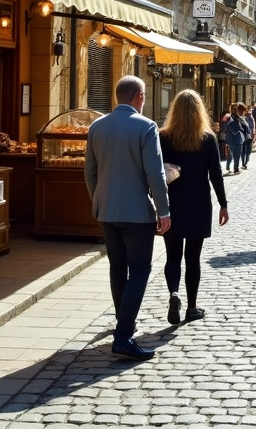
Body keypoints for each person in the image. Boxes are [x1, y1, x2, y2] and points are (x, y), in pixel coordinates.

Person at [84, 76, 171, 361]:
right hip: (136, 213)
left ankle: (123, 323)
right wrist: (164, 210)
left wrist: (98, 200)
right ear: (140, 97)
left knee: (117, 267)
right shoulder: (145, 126)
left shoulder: (97, 126)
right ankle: (123, 335)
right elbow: (155, 173)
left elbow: (90, 172)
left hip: (107, 210)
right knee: (140, 269)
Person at [159, 90, 229, 326]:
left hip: (172, 202)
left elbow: (156, 172)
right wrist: (223, 204)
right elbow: (216, 174)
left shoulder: (164, 137)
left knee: (172, 257)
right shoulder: (207, 139)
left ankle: (173, 294)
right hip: (199, 202)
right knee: (193, 259)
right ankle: (191, 307)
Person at [223, 103, 249, 174]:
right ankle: (236, 169)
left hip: (229, 139)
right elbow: (237, 128)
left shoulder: (227, 117)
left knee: (230, 155)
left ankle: (228, 167)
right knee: (236, 155)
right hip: (237, 139)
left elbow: (224, 128)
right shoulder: (235, 118)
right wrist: (241, 128)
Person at [242, 105, 256, 170]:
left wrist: (253, 134)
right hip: (245, 135)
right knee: (245, 150)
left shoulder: (250, 117)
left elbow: (253, 127)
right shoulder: (242, 118)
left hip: (248, 135)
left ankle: (246, 162)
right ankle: (244, 162)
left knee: (247, 150)